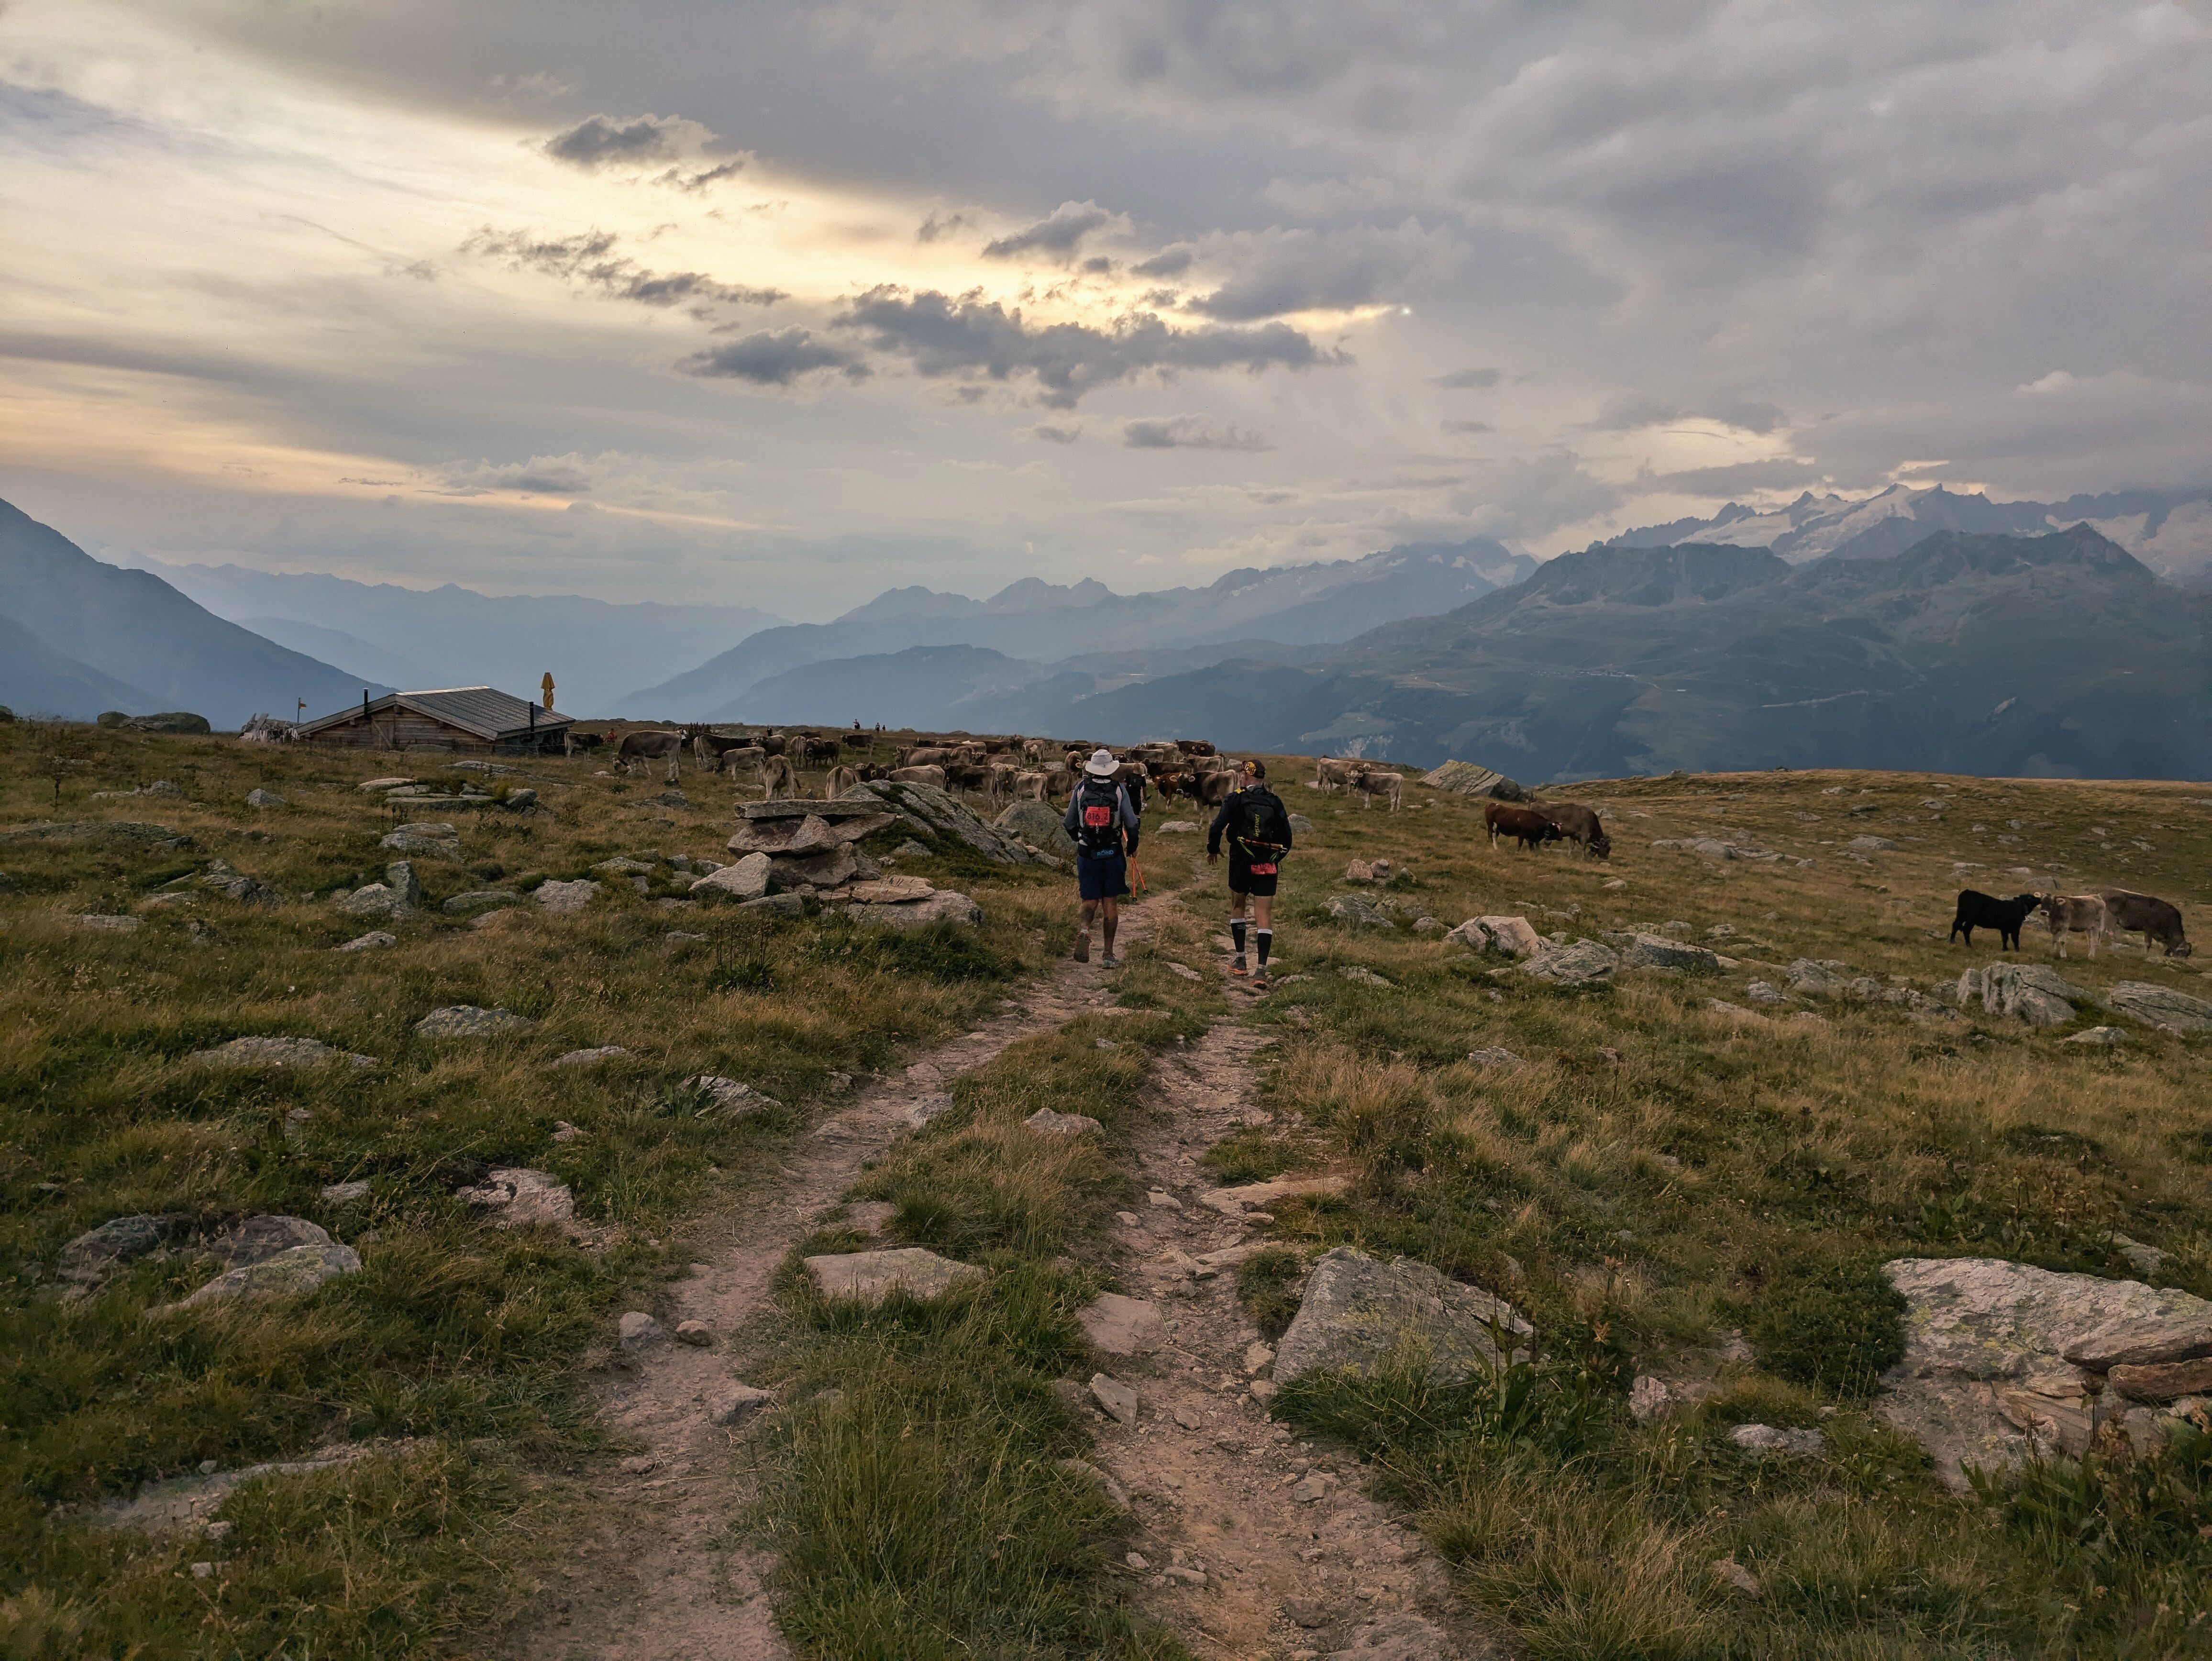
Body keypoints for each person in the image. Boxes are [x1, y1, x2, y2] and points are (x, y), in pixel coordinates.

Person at [1207, 758, 1294, 988]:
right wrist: (1274, 859)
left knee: (1238, 906)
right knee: (1264, 914)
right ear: (1263, 779)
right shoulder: (1275, 802)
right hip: (1267, 863)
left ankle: (1241, 960)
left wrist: (1213, 849)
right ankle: (1262, 971)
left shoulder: (1235, 799)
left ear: (1245, 777)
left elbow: (1216, 827)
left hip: (1241, 861)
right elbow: (1288, 839)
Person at [1064, 747, 1141, 966]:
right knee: (1111, 902)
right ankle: (1108, 954)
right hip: (1113, 852)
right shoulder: (1119, 790)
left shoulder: (1080, 789)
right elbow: (1132, 823)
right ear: (1110, 770)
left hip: (1087, 853)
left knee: (1089, 899)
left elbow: (1069, 822)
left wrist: (1079, 839)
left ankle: (1085, 930)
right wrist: (1132, 847)